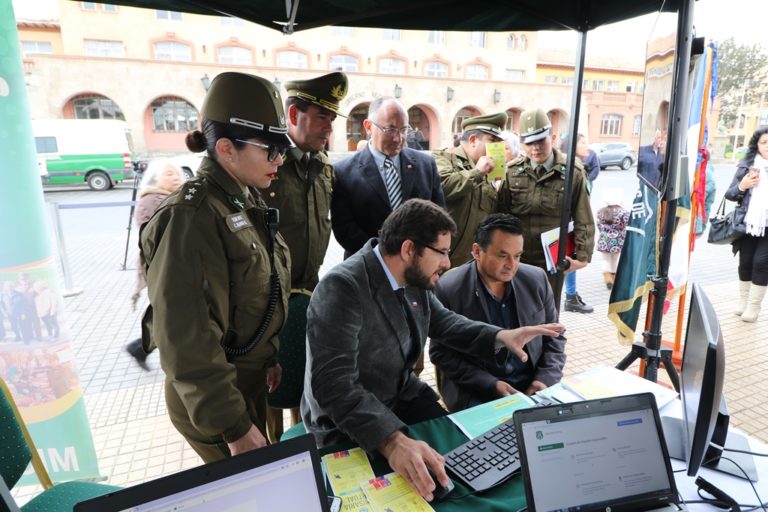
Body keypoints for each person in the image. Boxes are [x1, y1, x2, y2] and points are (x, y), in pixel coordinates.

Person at [301, 199, 564, 501]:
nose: (447, 264)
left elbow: (446, 324)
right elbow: (334, 386)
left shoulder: (414, 278)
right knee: (425, 490)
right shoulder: (342, 287)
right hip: (348, 420)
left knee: (458, 471)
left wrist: (502, 336)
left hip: (402, 397)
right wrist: (391, 442)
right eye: (442, 252)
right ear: (409, 249)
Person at [139, 72, 293, 463]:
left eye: (282, 149)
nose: (279, 160)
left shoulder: (241, 199)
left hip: (245, 383)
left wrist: (267, 355)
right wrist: (234, 427)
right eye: (270, 149)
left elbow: (255, 293)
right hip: (218, 400)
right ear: (226, 148)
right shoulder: (191, 217)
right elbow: (186, 340)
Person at [430, 214, 566, 412]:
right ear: (477, 251)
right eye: (502, 256)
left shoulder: (536, 279)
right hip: (476, 391)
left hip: (533, 387)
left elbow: (555, 337)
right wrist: (490, 384)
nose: (512, 264)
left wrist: (544, 380)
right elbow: (441, 353)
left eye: (518, 255)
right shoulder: (449, 288)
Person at [497, 108, 595, 313]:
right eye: (529, 142)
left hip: (552, 262)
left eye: (540, 141)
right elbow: (501, 215)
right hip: (517, 258)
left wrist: (582, 258)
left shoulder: (572, 173)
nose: (535, 148)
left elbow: (583, 216)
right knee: (514, 311)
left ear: (552, 137)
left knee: (547, 315)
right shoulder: (512, 171)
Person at [331, 97, 446, 259]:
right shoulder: (343, 172)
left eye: (404, 130)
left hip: (418, 265)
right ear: (368, 127)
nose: (398, 138)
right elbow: (344, 229)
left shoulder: (426, 164)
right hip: (367, 267)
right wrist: (385, 255)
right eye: (390, 130)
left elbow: (439, 214)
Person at [264, 72, 347, 293]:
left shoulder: (322, 165)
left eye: (332, 119)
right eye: (322, 117)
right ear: (293, 115)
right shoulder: (266, 161)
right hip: (268, 294)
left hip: (311, 288)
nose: (329, 128)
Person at [125, 159, 184, 369]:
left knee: (173, 315)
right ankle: (141, 347)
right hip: (164, 269)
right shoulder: (151, 200)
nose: (175, 177)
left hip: (175, 267)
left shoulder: (174, 197)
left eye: (177, 173)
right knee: (175, 316)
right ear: (156, 178)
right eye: (168, 173)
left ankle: (140, 347)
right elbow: (152, 238)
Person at [432, 112, 507, 268]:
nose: (496, 148)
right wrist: (477, 172)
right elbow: (443, 186)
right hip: (438, 261)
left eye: (499, 143)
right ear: (473, 140)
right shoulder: (444, 158)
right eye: (492, 141)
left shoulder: (489, 174)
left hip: (469, 264)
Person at [725, 126, 768, 323]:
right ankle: (743, 301)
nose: (767, 146)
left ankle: (753, 307)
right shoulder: (748, 166)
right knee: (745, 261)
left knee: (761, 263)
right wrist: (743, 185)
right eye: (764, 142)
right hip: (748, 223)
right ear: (757, 145)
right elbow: (731, 194)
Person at [596, 191, 630, 290]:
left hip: (604, 240)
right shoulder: (624, 212)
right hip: (618, 242)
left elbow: (599, 226)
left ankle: (607, 277)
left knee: (605, 259)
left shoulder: (600, 211)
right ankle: (614, 278)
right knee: (615, 260)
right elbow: (628, 225)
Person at [695, 147, 717, 237]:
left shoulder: (705, 174)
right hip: (696, 222)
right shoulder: (707, 173)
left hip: (695, 222)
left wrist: (701, 227)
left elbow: (703, 204)